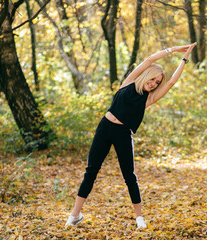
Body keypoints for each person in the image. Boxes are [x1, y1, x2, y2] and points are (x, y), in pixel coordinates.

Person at [66, 42, 197, 229]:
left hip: (123, 134)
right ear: (146, 75)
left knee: (129, 176)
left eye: (156, 83)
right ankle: (74, 216)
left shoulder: (149, 98)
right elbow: (150, 59)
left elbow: (171, 82)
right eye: (152, 79)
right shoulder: (129, 82)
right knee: (91, 171)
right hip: (104, 128)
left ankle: (139, 219)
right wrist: (175, 50)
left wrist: (184, 59)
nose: (153, 84)